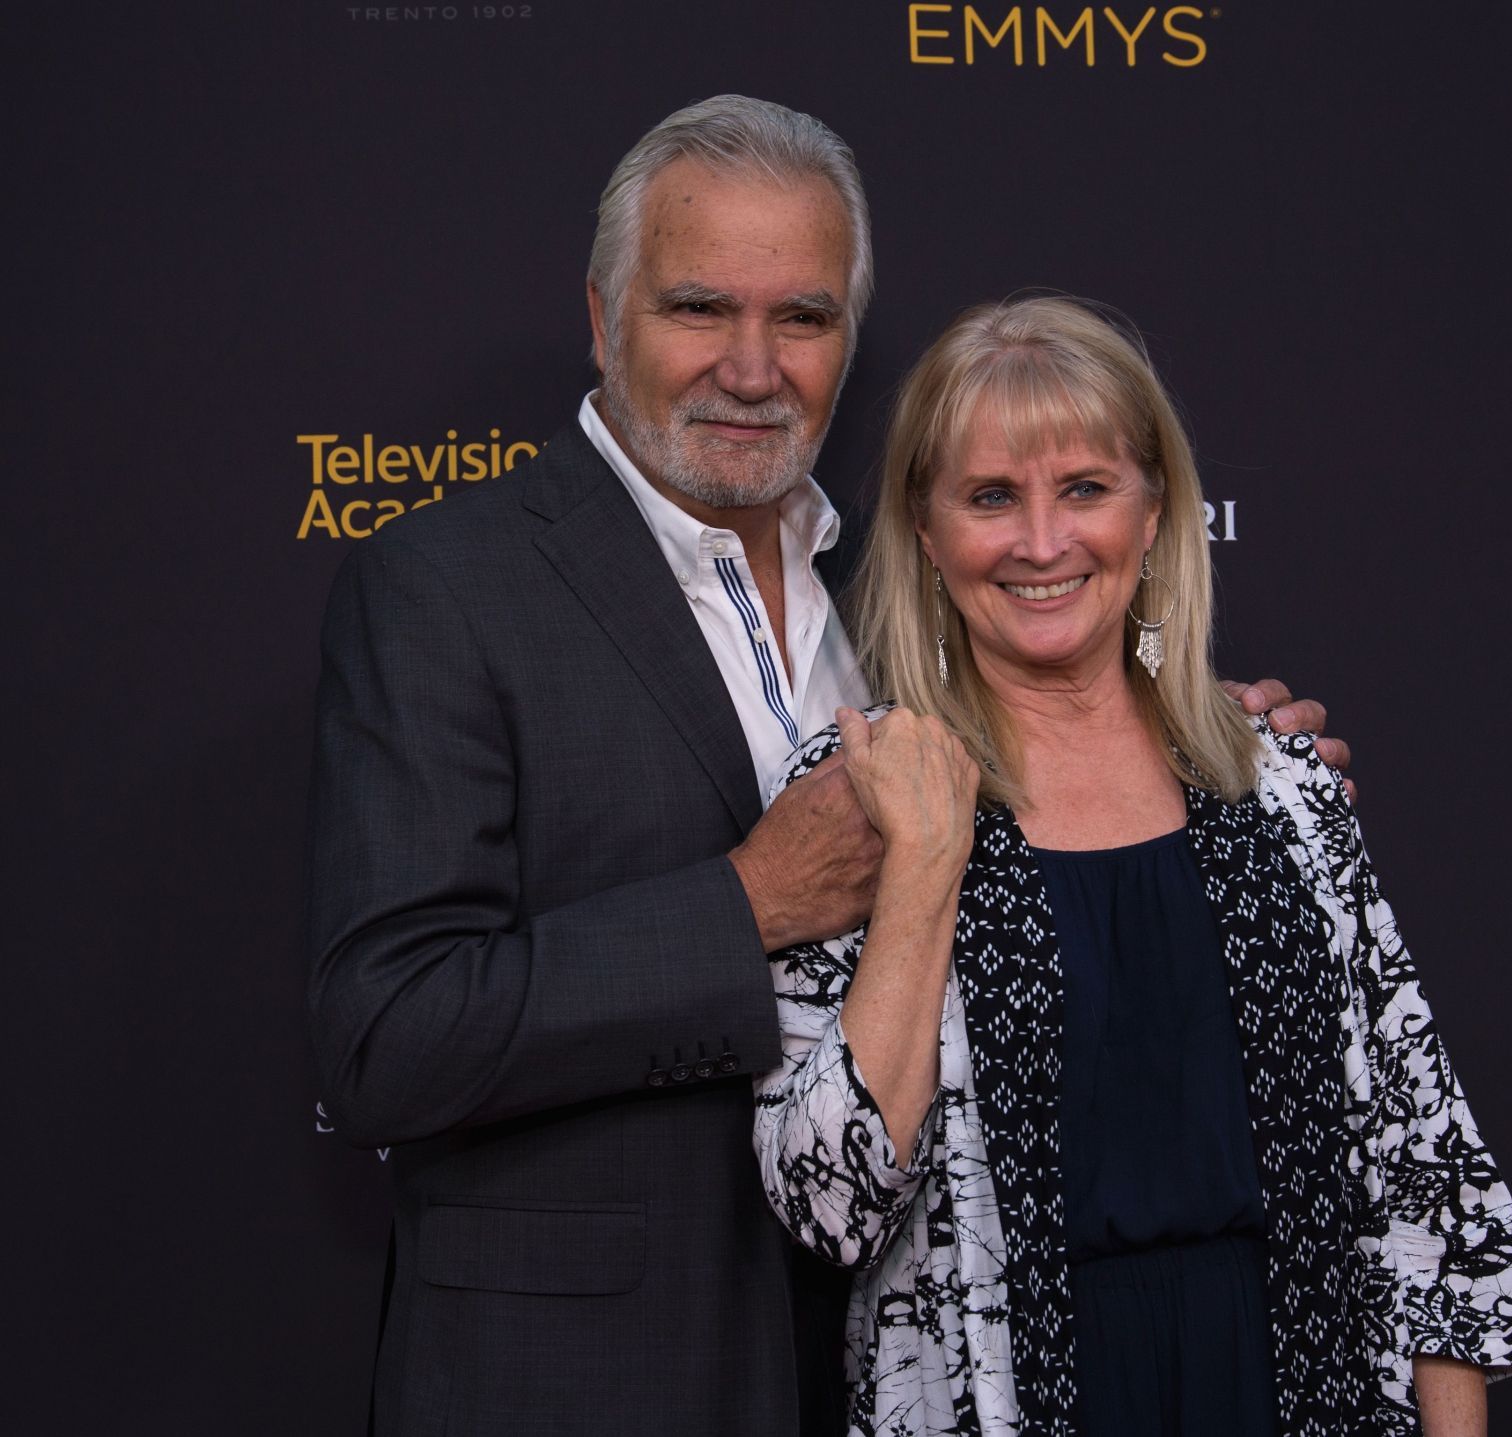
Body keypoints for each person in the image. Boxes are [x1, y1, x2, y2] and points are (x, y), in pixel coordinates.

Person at [307, 98, 1342, 1434]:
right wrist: (748, 903)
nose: (752, 366)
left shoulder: (903, 599)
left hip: (898, 1374)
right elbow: (385, 1038)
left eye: (802, 316)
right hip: (579, 1385)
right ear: (601, 315)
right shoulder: (444, 589)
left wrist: (1198, 752)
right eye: (698, 308)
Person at [753, 297, 1512, 1437]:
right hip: (1010, 1398)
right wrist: (924, 861)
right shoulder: (862, 786)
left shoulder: (1276, 779)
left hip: (1297, 1388)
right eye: (989, 498)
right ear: (925, 532)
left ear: (1156, 505)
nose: (1041, 542)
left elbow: (1423, 1162)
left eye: (1084, 488)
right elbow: (830, 1206)